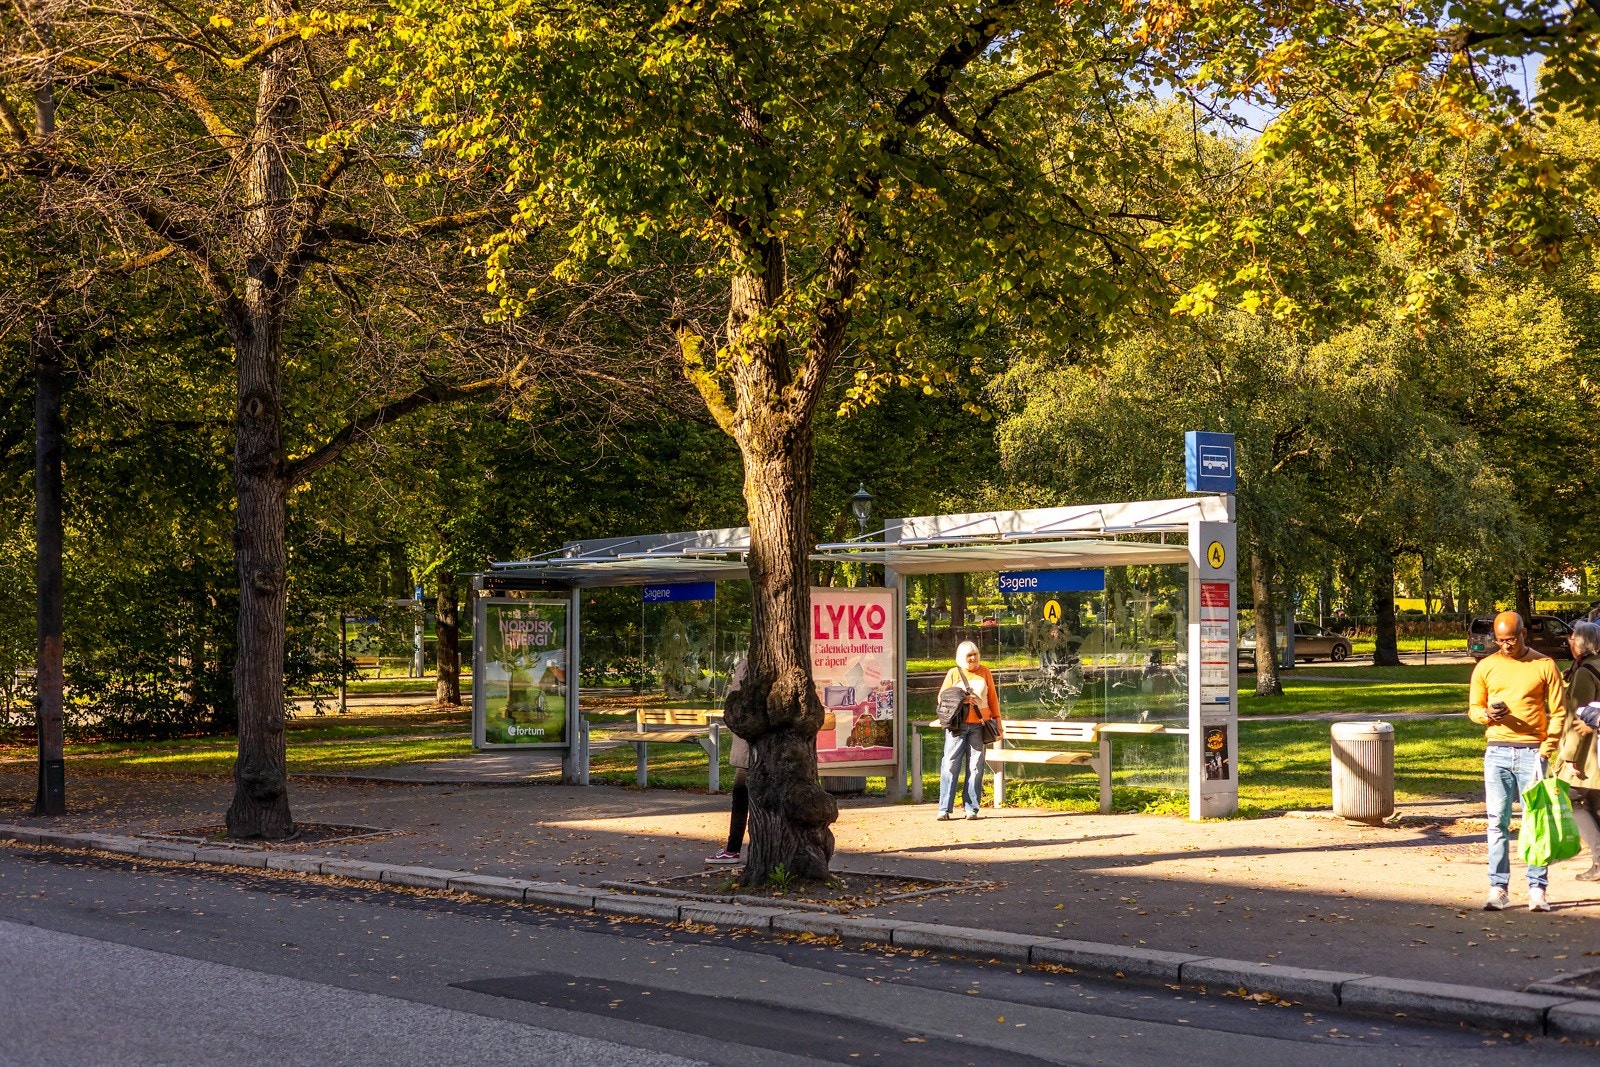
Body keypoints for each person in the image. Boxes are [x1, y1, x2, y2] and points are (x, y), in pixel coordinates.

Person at [1468, 611, 1568, 911]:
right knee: (1496, 823)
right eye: (1500, 641)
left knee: (1535, 822)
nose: (1506, 646)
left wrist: (1547, 746)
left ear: (1524, 634)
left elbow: (1559, 711)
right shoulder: (1487, 666)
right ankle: (1498, 887)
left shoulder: (1543, 665)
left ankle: (1537, 889)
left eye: (1511, 639)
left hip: (1533, 753)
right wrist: (1487, 715)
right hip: (1497, 751)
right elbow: (1474, 708)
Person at [937, 640, 1001, 821]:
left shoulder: (985, 672)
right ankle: (945, 808)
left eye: (975, 654)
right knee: (950, 764)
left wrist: (998, 720)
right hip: (957, 726)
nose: (973, 658)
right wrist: (962, 700)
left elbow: (992, 698)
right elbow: (942, 698)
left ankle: (971, 808)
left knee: (976, 767)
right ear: (960, 658)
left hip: (979, 725)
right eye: (969, 655)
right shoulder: (953, 673)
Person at [1556, 621, 1600, 882]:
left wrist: (1570, 757)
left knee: (1568, 796)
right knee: (1595, 804)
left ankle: (1599, 857)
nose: (1569, 642)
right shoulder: (1589, 668)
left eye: (1572, 638)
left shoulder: (1585, 672)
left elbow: (1578, 717)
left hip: (1588, 752)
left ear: (1581, 643)